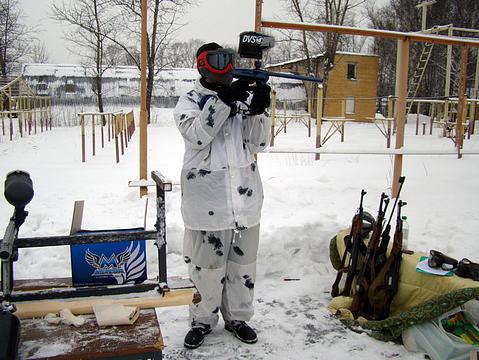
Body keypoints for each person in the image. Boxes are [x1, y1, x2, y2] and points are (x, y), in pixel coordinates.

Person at [173, 42, 271, 349]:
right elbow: (198, 135)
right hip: (207, 204)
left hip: (244, 202)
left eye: (228, 59)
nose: (225, 66)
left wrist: (258, 110)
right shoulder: (189, 101)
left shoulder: (240, 100)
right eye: (218, 60)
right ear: (203, 65)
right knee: (206, 268)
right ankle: (202, 321)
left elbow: (259, 142)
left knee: (242, 267)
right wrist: (223, 101)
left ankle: (238, 318)